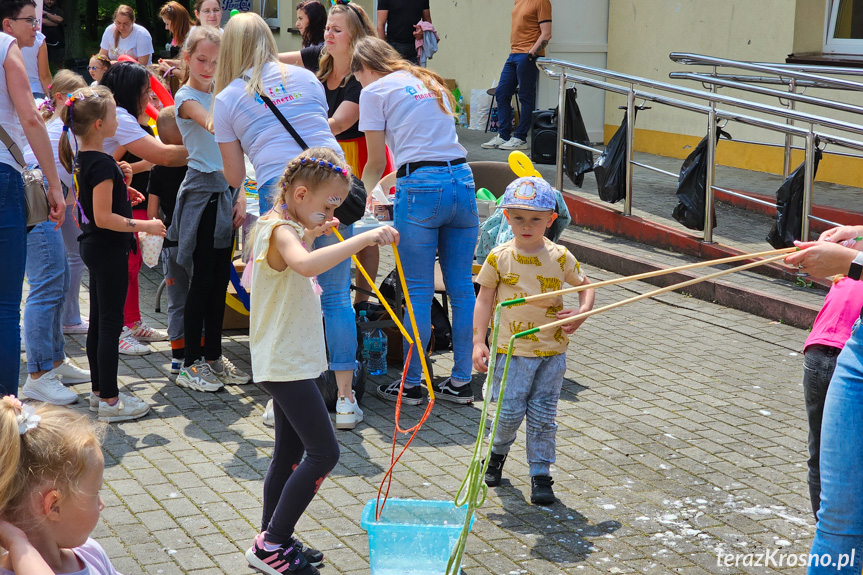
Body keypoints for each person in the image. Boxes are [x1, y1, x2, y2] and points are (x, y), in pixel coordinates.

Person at [244, 147, 399, 575]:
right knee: (324, 452)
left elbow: (296, 257)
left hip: (296, 358)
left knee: (287, 453)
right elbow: (304, 263)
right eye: (328, 203)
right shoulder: (278, 231)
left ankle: (271, 538)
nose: (332, 210)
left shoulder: (283, 226)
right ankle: (271, 543)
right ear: (299, 194)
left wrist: (315, 231)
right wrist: (362, 238)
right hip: (285, 361)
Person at [214, 13, 362, 424]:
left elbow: (232, 175)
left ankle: (285, 396)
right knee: (334, 296)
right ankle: (346, 400)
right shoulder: (306, 78)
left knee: (284, 299)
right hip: (334, 183)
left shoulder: (227, 98)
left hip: (283, 192)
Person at [352, 36, 478, 405]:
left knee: (418, 292)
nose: (359, 85)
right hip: (463, 182)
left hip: (422, 190)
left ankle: (411, 383)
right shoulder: (428, 79)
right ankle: (461, 381)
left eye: (357, 78)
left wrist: (353, 203)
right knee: (460, 288)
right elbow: (431, 148)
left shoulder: (374, 92)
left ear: (365, 68)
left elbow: (375, 162)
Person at [278, 2, 385, 424]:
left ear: (355, 35)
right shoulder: (314, 62)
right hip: (313, 166)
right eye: (328, 29)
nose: (328, 36)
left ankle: (364, 295)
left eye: (337, 30)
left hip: (347, 163)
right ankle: (332, 389)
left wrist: (293, 114)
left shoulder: (361, 78)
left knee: (354, 242)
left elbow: (337, 125)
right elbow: (267, 62)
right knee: (324, 280)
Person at [473, 176, 594, 505]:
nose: (526, 226)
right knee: (508, 413)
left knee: (543, 415)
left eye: (536, 219)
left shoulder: (560, 256)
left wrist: (581, 312)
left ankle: (541, 474)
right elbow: (483, 299)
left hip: (552, 353)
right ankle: (495, 455)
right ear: (506, 218)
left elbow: (587, 286)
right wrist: (477, 342)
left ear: (551, 220)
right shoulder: (499, 257)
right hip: (509, 352)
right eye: (518, 218)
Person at [59, 86, 163, 421]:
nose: (120, 119)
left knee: (102, 323)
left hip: (94, 246)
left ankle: (98, 394)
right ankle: (111, 401)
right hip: (108, 249)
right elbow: (104, 218)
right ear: (99, 126)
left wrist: (122, 185)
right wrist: (144, 226)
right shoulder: (102, 163)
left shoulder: (86, 159)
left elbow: (92, 205)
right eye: (115, 115)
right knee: (109, 325)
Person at [170, 26, 249, 391]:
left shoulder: (224, 91)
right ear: (187, 57)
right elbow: (216, 126)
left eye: (216, 62)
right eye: (201, 59)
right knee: (199, 281)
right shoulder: (186, 97)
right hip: (202, 194)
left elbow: (238, 152)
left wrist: (241, 193)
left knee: (220, 281)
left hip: (228, 192)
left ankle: (214, 357)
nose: (208, 67)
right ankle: (189, 363)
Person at [785, 231, 863, 574]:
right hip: (854, 347)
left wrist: (851, 262)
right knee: (837, 519)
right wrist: (858, 236)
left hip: (833, 346)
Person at [99, 61, 188, 355]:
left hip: (111, 196)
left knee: (129, 265)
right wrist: (213, 146)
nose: (150, 98)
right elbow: (163, 155)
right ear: (132, 92)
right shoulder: (121, 118)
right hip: (99, 207)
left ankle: (130, 322)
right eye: (145, 92)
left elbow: (106, 160)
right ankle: (115, 332)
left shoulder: (116, 115)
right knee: (113, 268)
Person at [0, 0, 65, 398]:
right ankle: (7, 417)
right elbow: (29, 118)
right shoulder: (5, 46)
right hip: (4, 175)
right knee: (7, 306)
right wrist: (54, 185)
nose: (37, 31)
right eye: (31, 21)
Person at [19, 70, 91, 407]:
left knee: (57, 280)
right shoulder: (55, 131)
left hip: (49, 202)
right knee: (46, 284)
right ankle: (38, 376)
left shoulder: (64, 129)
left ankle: (56, 362)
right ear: (60, 98)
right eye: (76, 98)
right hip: (39, 204)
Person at [0, 396, 125, 574]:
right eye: (95, 492)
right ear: (54, 506)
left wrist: (17, 542)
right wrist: (18, 543)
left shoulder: (90, 552)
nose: (101, 504)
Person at [800, 275, 863, 519]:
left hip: (816, 354)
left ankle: (823, 525)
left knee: (819, 451)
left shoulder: (846, 274)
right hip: (849, 359)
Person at [147, 107, 189, 376]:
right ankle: (199, 353)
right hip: (197, 242)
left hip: (171, 243)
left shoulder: (158, 169)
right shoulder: (196, 163)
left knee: (176, 302)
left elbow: (152, 214)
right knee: (199, 297)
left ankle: (177, 357)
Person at [482, 0, 552, 152]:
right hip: (513, 54)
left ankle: (520, 138)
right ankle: (504, 135)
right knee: (501, 93)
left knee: (525, 96)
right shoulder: (518, 1)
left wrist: (531, 53)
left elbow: (546, 33)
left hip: (527, 55)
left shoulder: (541, 2)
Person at [376, 0, 431, 65]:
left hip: (415, 48)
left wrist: (422, 32)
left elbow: (427, 21)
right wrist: (383, 51)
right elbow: (380, 25)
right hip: (394, 48)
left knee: (415, 74)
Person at [157, 1, 193, 82]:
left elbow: (193, 76)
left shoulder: (193, 39)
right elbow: (189, 65)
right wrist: (174, 63)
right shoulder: (191, 34)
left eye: (167, 24)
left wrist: (170, 69)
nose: (166, 28)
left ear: (177, 23)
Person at [19, 29, 49, 98]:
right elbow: (44, 76)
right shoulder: (38, 37)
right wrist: (52, 99)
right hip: (34, 90)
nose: (37, 26)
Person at [40, 0, 64, 66]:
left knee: (59, 63)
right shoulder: (38, 9)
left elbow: (59, 20)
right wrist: (55, 23)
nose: (50, 1)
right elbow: (42, 21)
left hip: (57, 42)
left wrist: (46, 13)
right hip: (43, 42)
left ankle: (61, 76)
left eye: (52, 0)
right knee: (42, 63)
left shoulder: (58, 11)